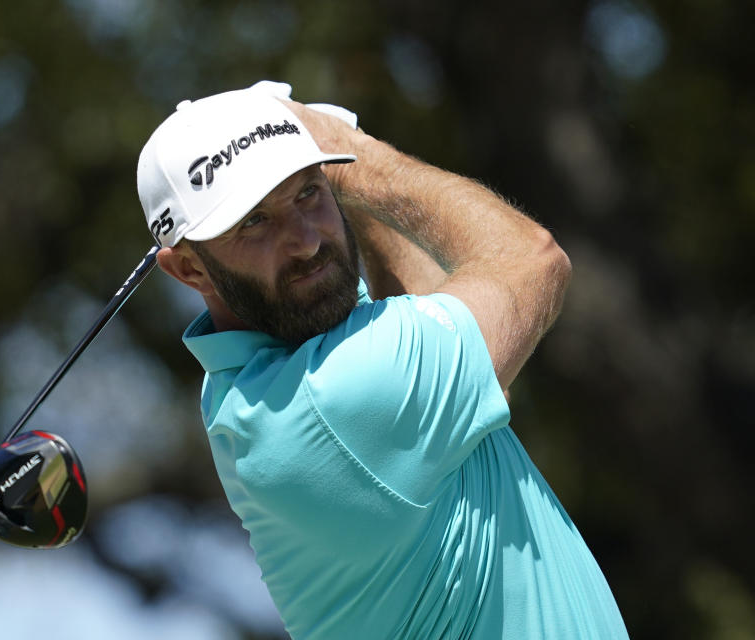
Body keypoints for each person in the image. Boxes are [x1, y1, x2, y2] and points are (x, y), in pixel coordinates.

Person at [136, 81, 629, 639]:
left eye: (308, 194)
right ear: (189, 271)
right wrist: (354, 158)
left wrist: (340, 172)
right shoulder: (330, 400)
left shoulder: (277, 370)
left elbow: (476, 369)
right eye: (254, 222)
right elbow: (533, 260)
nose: (305, 240)